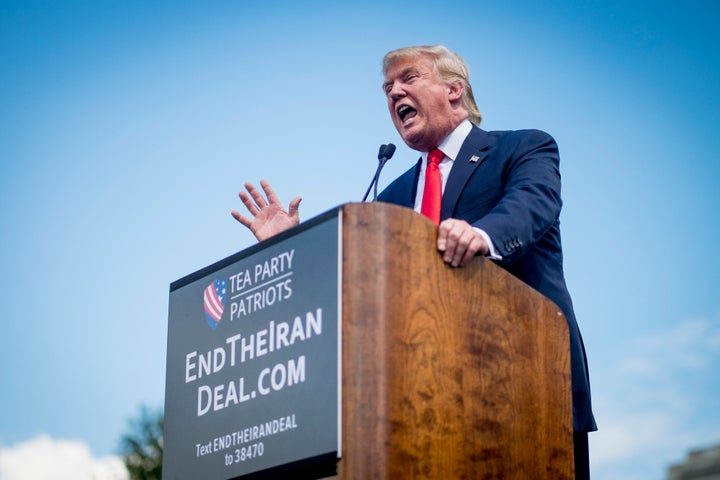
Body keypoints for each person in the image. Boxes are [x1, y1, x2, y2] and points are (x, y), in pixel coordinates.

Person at [232, 45, 596, 479]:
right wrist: (292, 246)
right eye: (387, 88)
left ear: (454, 90)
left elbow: (531, 204)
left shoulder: (521, 147)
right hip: (424, 403)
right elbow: (355, 281)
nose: (393, 93)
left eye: (408, 78)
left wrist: (481, 235)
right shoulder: (392, 197)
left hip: (528, 381)